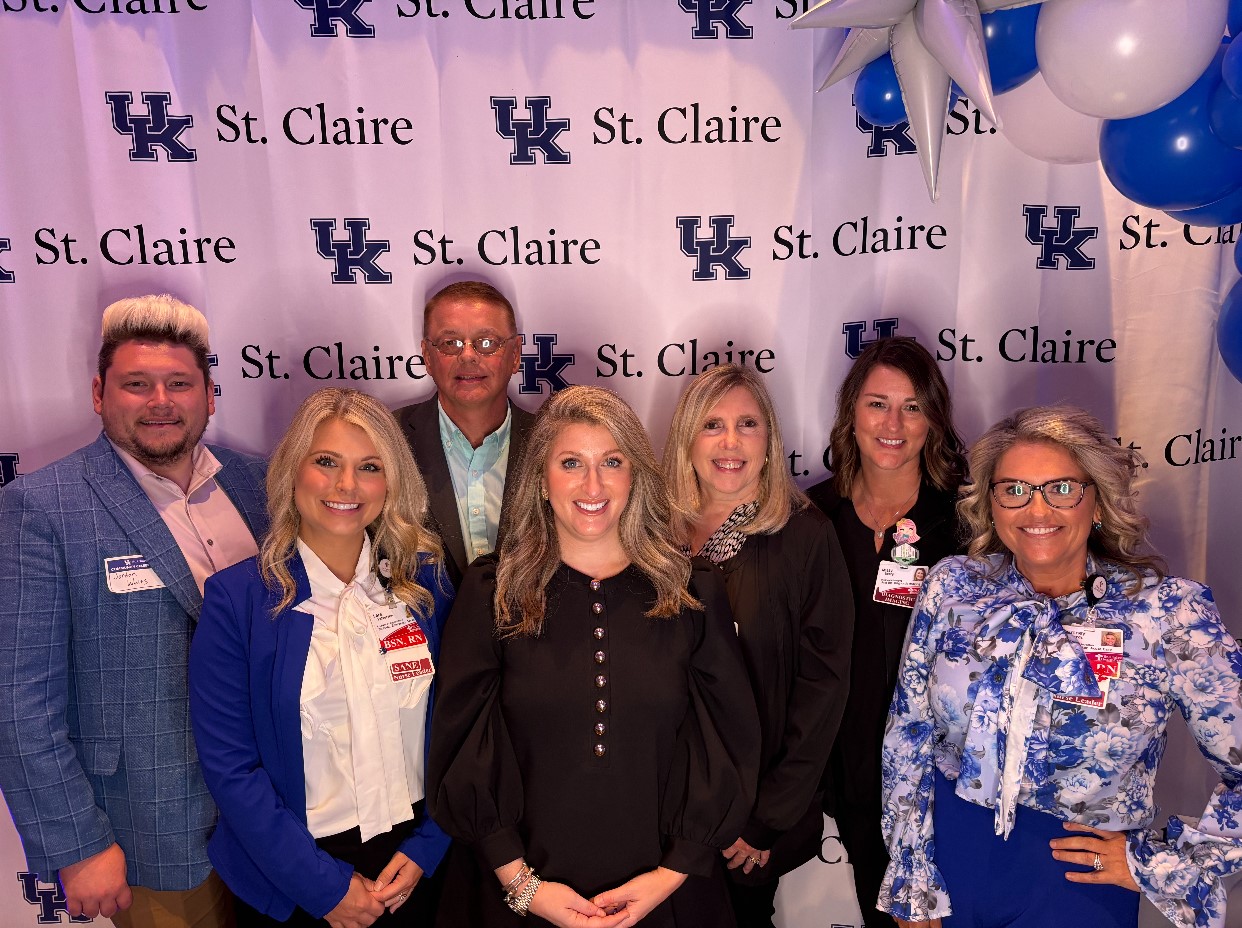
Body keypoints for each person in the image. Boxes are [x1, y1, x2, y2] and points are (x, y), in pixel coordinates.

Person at [880, 405, 1242, 928]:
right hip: (949, 868)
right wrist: (912, 877)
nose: (1037, 509)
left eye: (1062, 488)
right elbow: (908, 733)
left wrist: (1162, 862)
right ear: (992, 502)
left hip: (1076, 887)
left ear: (1096, 501)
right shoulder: (953, 586)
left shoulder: (1167, 614)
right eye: (1015, 489)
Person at [428, 385, 761, 928]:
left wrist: (670, 877)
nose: (593, 484)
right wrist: (523, 887)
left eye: (612, 461)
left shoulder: (692, 593)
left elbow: (727, 742)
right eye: (570, 463)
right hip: (518, 898)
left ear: (635, 476)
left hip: (666, 899)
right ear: (541, 478)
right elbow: (462, 746)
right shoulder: (492, 595)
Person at [0, 294, 269, 926]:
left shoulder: (261, 485)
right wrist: (78, 845)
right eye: (136, 385)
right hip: (149, 829)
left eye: (179, 383)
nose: (161, 401)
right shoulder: (44, 508)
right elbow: (19, 696)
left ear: (209, 393)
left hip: (276, 813)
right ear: (99, 393)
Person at [189, 388, 453, 927]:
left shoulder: (426, 585)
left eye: (369, 467)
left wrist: (430, 846)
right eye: (326, 461)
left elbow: (462, 727)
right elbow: (231, 768)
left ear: (392, 482)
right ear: (293, 470)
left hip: (417, 868)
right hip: (294, 880)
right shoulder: (236, 600)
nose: (346, 485)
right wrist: (322, 887)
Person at [661, 364, 853, 927]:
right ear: (686, 439)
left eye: (747, 423)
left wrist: (769, 817)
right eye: (712, 424)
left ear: (769, 440)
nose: (730, 441)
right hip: (662, 806)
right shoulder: (651, 533)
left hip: (749, 817)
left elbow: (823, 687)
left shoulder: (804, 535)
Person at [806, 337, 967, 927]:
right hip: (849, 771)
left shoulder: (967, 521)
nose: (892, 424)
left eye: (913, 407)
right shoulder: (813, 516)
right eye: (878, 404)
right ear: (852, 412)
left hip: (943, 780)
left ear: (935, 421)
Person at [395, 281, 536, 588]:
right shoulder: (387, 440)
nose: (468, 356)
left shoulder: (552, 442)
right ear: (427, 356)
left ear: (515, 355)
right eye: (451, 343)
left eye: (487, 343)